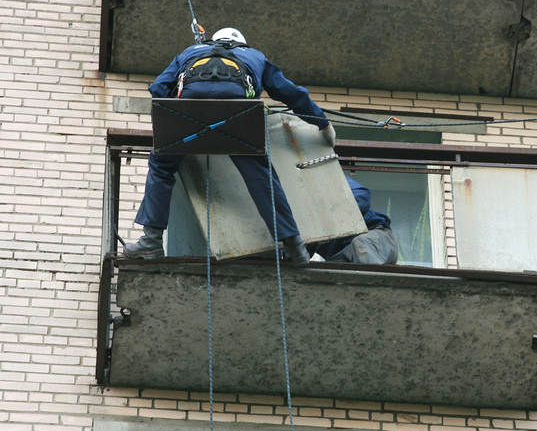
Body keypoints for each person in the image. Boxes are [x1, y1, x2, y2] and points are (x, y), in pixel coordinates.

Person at [124, 28, 336, 267]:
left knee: (161, 165)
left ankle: (151, 241)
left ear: (213, 40)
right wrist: (322, 122)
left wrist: (166, 130)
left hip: (188, 112)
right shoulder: (255, 56)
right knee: (262, 178)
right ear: (242, 45)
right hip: (237, 112)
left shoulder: (189, 52)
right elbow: (291, 94)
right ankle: (295, 246)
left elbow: (158, 89)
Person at [314, 176, 398, 264]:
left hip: (373, 237)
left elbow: (361, 196)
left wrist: (329, 220)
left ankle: (371, 276)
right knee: (327, 271)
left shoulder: (324, 177)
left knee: (360, 244)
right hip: (343, 251)